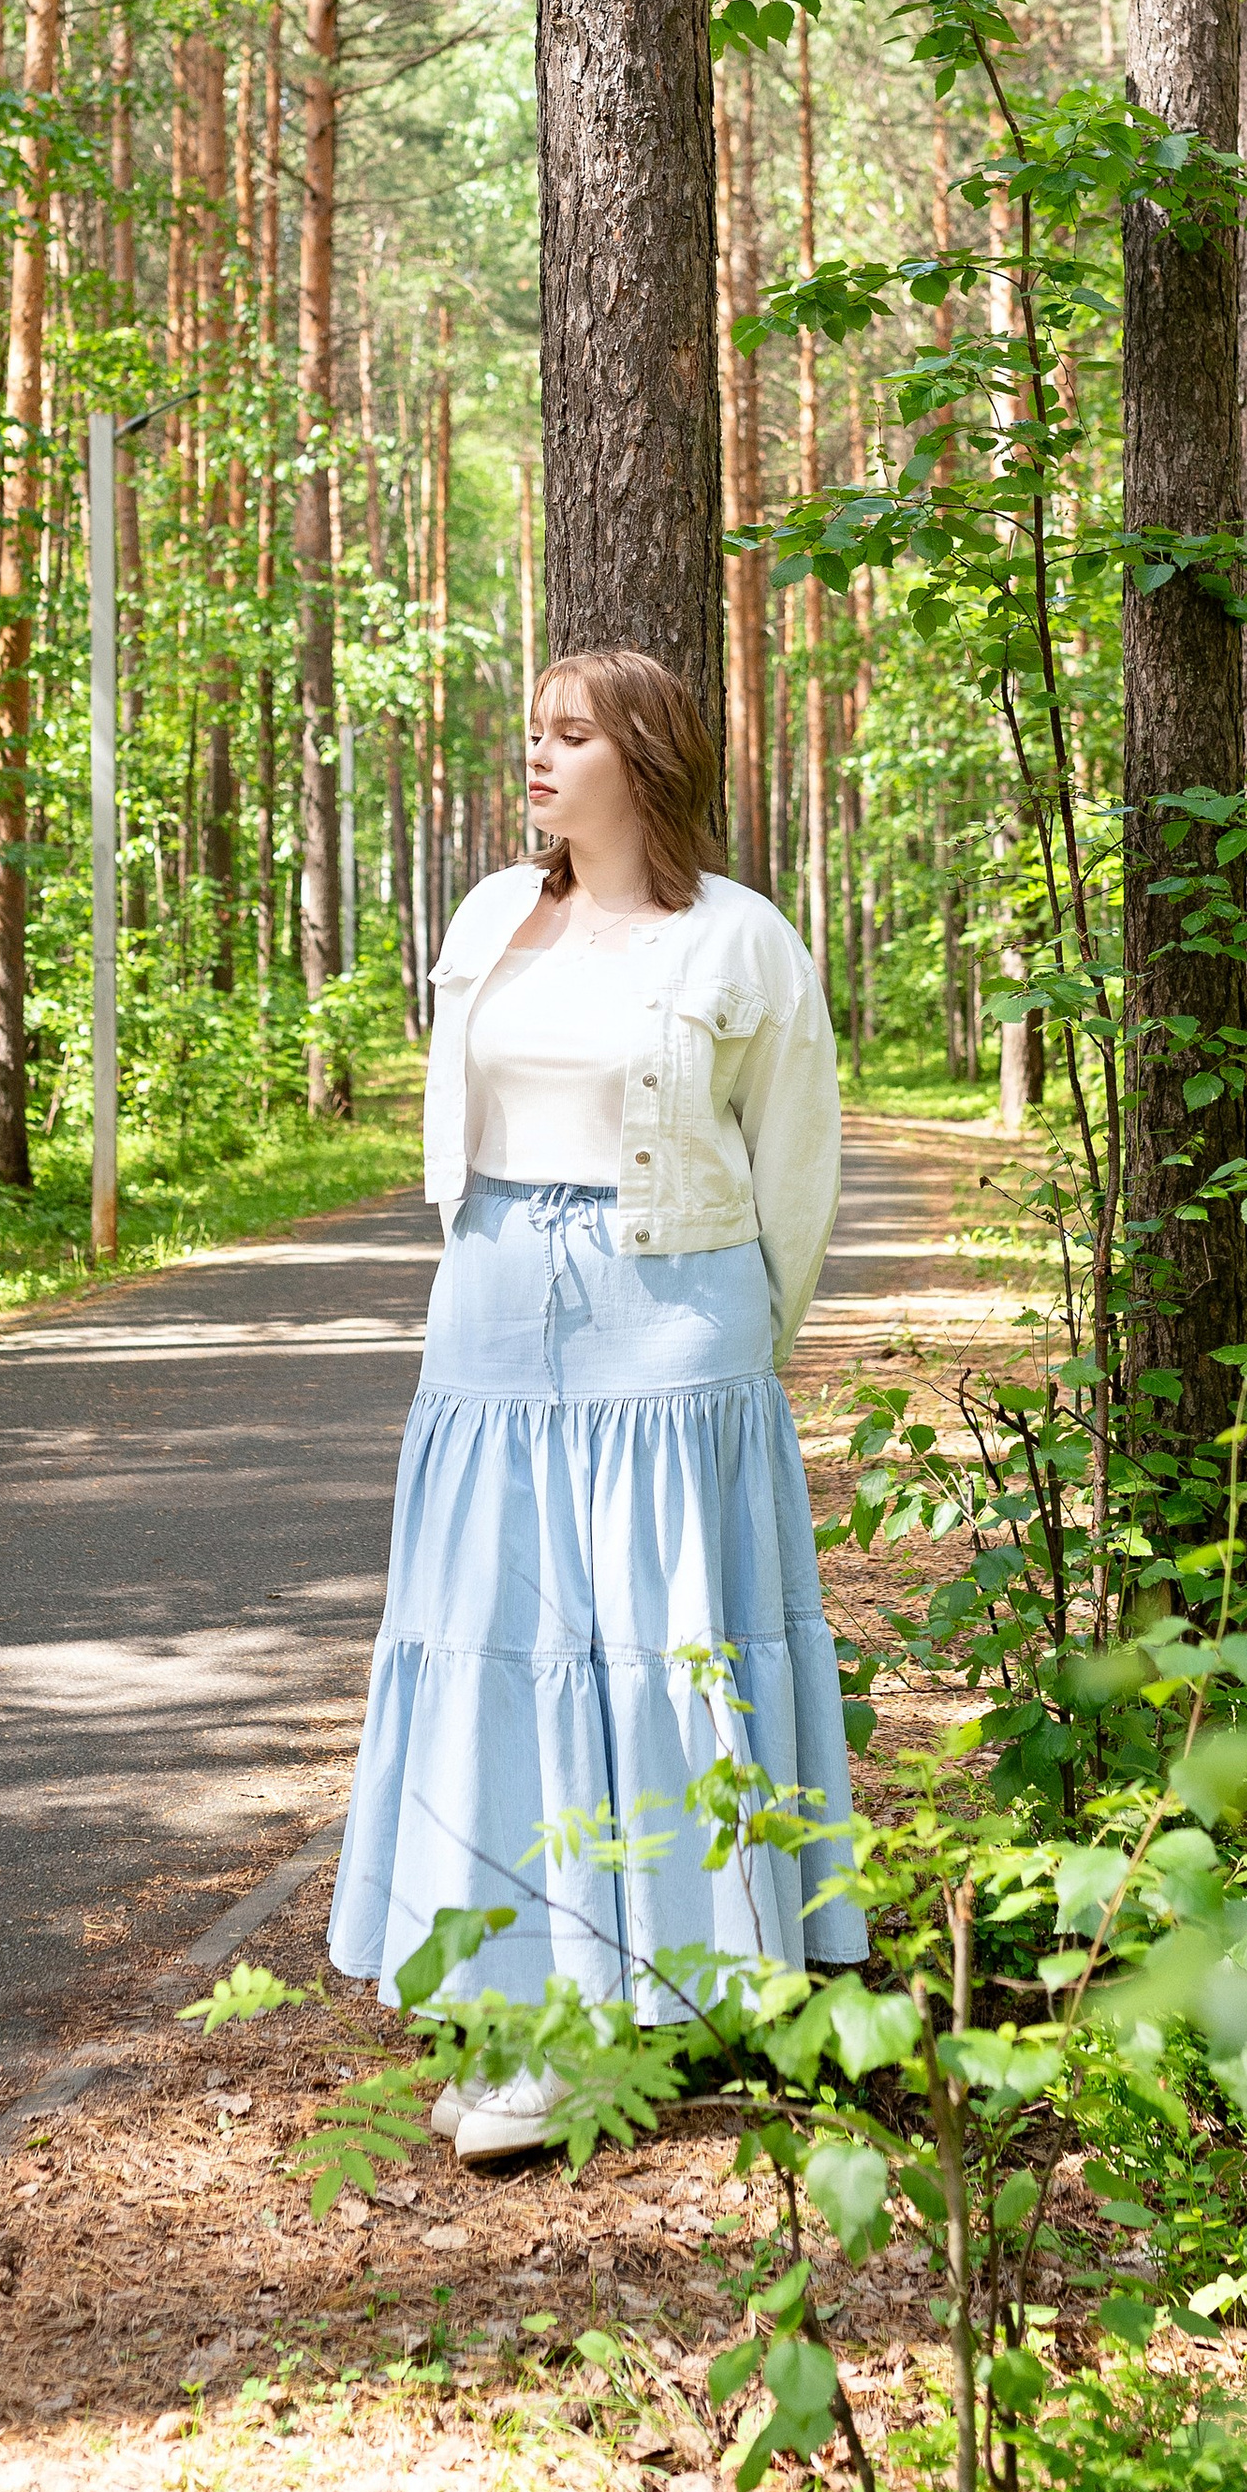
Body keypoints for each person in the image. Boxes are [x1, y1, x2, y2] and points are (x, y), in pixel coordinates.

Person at [327, 642, 868, 2162]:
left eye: (573, 736)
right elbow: (462, 1130)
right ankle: (522, 2000)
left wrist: (742, 1342)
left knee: (660, 1645)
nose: (541, 759)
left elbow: (799, 1169)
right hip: (496, 1311)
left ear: (645, 755)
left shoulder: (741, 941)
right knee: (502, 1645)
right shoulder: (492, 916)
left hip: (675, 1329)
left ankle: (670, 1999)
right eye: (537, 735)